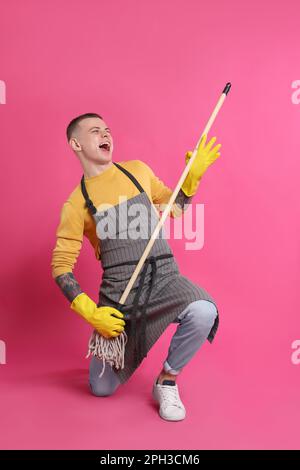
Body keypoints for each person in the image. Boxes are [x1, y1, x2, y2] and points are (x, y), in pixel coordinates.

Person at [51, 112, 221, 421]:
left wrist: (192, 178)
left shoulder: (137, 171)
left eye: (107, 129)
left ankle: (167, 381)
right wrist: (91, 312)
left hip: (164, 279)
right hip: (120, 298)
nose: (106, 134)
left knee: (204, 310)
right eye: (95, 131)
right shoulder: (76, 203)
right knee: (100, 388)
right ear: (75, 144)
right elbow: (61, 267)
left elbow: (175, 209)